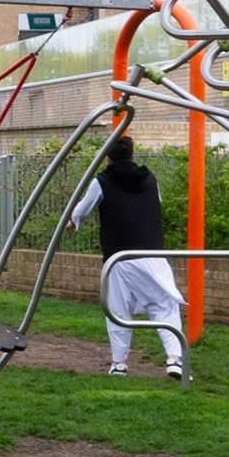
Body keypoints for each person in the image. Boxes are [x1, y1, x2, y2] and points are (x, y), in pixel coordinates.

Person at [68, 135, 186, 379]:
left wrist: (73, 222)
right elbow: (156, 203)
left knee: (118, 310)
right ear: (133, 156)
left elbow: (82, 209)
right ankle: (174, 359)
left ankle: (119, 363)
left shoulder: (102, 181)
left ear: (108, 159)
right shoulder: (149, 179)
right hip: (152, 254)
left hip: (119, 257)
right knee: (165, 306)